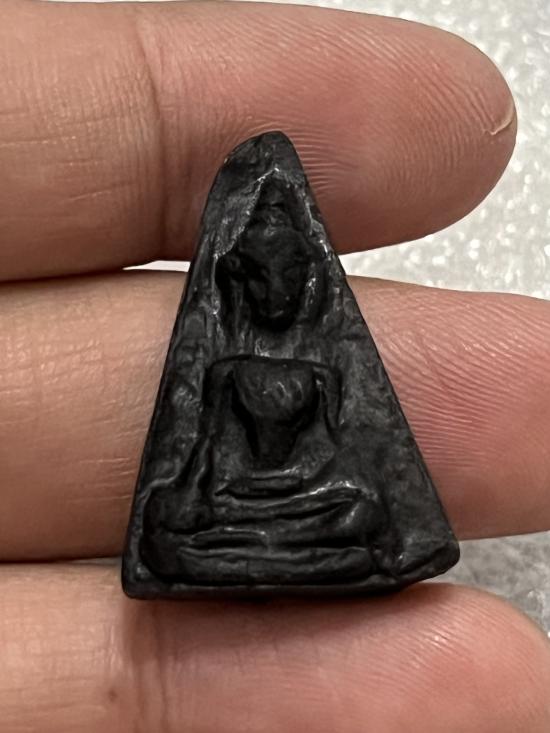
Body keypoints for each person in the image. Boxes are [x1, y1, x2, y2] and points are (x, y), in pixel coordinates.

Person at [0, 1, 549, 731]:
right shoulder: (223, 370)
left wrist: (317, 502)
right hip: (238, 506)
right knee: (168, 525)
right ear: (240, 280)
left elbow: (347, 461)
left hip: (308, 503)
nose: (278, 294)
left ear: (310, 281)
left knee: (363, 510)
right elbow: (199, 465)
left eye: (291, 278)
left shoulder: (324, 375)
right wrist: (194, 506)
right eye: (263, 278)